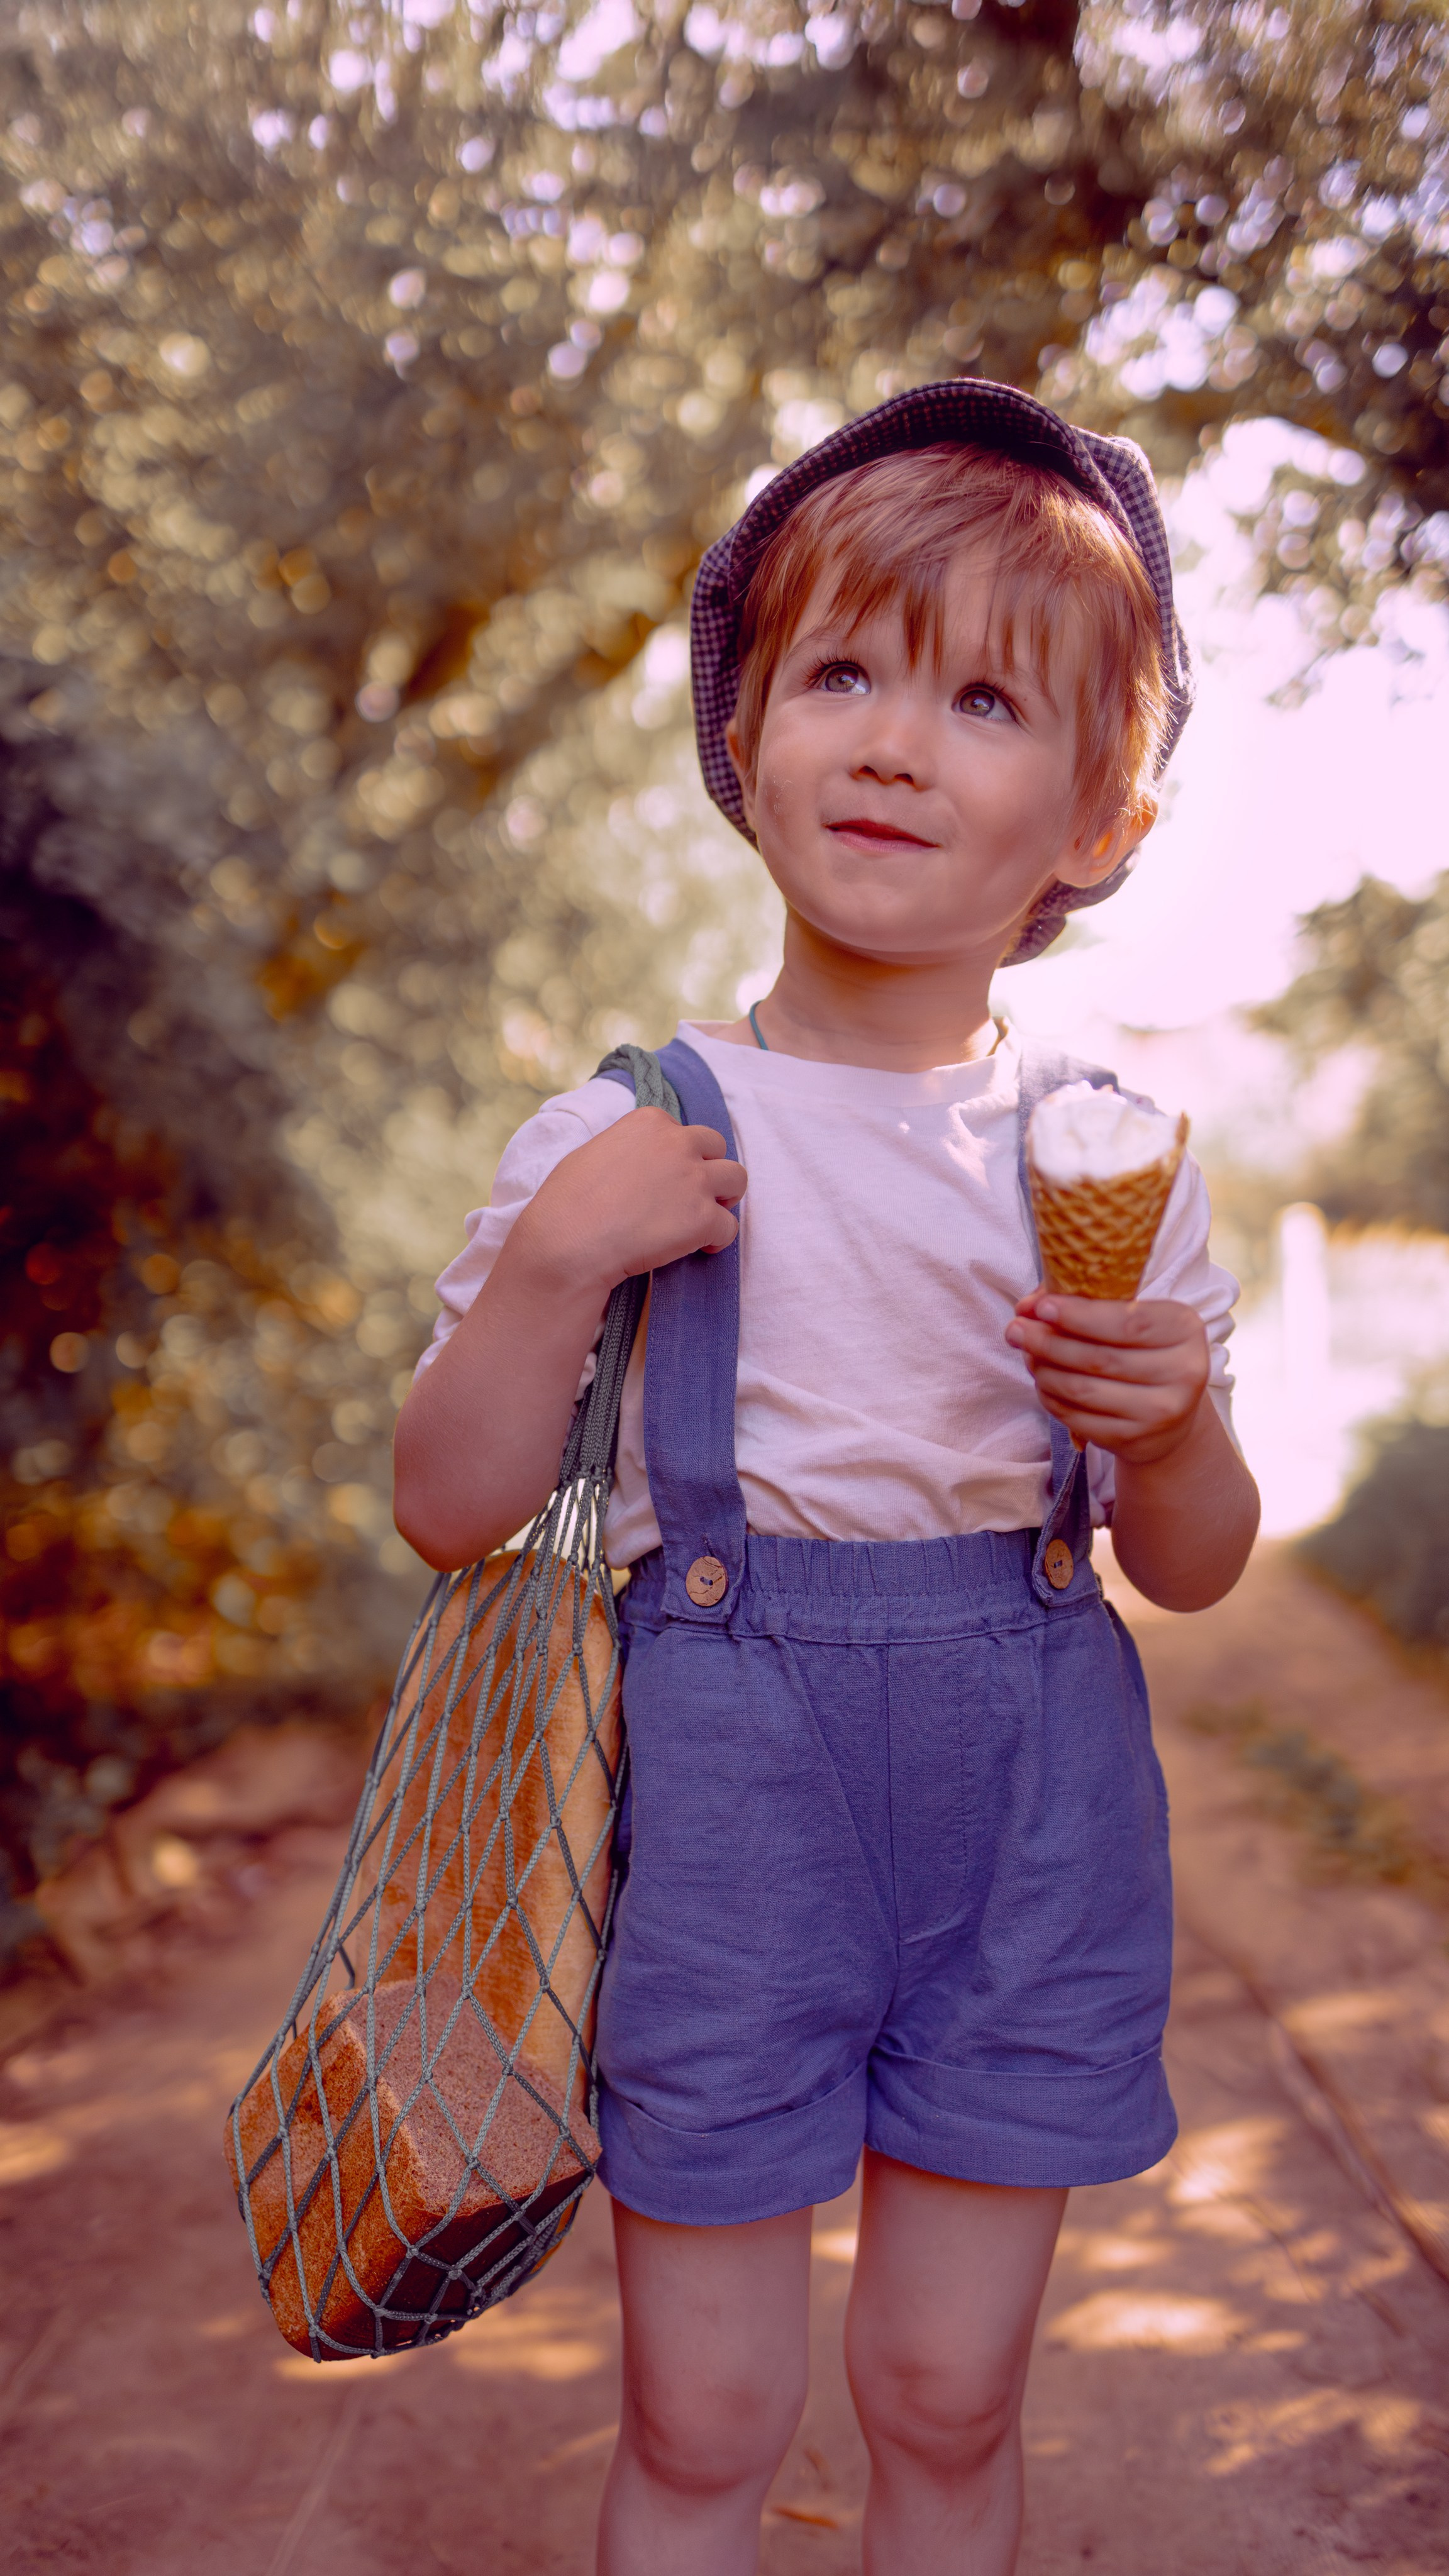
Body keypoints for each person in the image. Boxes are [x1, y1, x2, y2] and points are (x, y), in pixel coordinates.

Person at [393, 381, 1260, 2576]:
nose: (892, 744)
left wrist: (1172, 1430)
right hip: (727, 1828)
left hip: (1034, 1821)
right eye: (843, 674)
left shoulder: (1107, 1159)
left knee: (948, 2393)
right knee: (706, 2413)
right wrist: (557, 1267)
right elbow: (447, 1505)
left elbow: (1193, 1563)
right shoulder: (626, 1132)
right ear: (745, 733)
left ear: (1100, 818)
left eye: (984, 701)